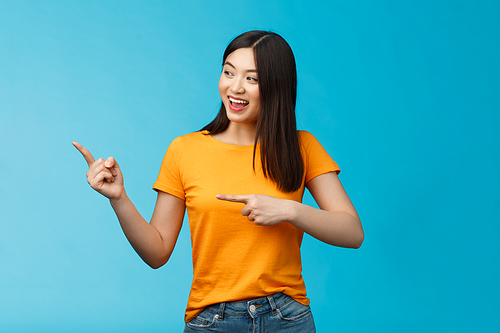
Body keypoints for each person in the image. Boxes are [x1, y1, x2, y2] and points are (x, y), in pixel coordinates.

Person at [73, 30, 363, 333]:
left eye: (252, 79)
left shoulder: (301, 146)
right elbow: (156, 253)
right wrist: (119, 198)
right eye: (228, 72)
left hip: (287, 317)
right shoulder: (185, 150)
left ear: (276, 87)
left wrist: (289, 210)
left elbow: (352, 233)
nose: (235, 87)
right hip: (213, 320)